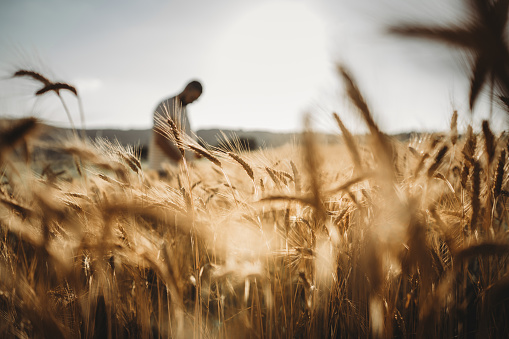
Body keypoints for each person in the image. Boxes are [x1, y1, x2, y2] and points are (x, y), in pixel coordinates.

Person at [148, 80, 203, 172]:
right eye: (192, 97)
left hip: (179, 169)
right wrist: (182, 162)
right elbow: (160, 140)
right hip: (164, 168)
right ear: (187, 89)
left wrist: (195, 153)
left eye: (195, 100)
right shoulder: (166, 105)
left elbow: (184, 136)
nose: (193, 101)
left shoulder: (183, 109)